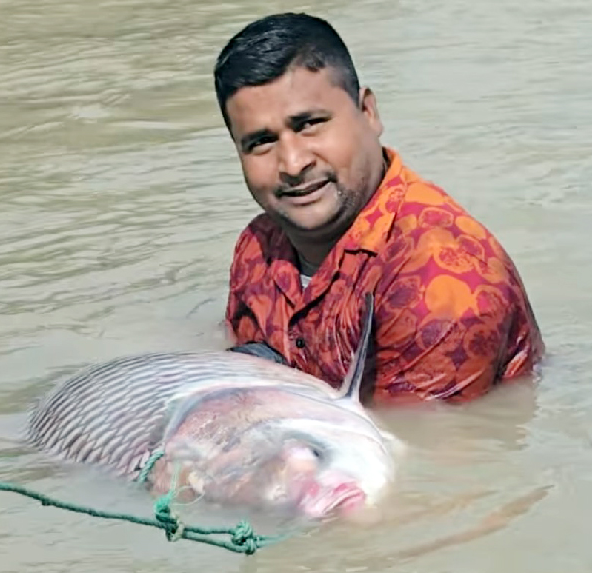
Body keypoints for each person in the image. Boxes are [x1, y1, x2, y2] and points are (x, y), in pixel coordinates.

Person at [215, 12, 545, 406]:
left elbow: (426, 458)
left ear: (368, 112)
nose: (292, 163)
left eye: (309, 124)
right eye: (261, 142)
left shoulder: (440, 282)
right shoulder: (258, 246)